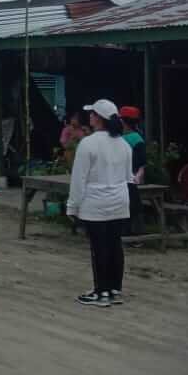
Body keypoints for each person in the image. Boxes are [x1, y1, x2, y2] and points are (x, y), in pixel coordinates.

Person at [67, 99, 132, 308]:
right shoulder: (124, 144)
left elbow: (79, 179)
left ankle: (101, 292)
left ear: (99, 118)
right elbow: (128, 177)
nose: (90, 116)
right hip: (119, 201)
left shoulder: (88, 143)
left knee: (99, 247)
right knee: (115, 245)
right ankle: (114, 289)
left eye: (93, 114)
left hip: (95, 203)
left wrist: (72, 206)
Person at [120, 106, 147, 235]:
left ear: (123, 121)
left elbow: (140, 163)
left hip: (129, 180)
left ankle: (132, 234)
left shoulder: (134, 139)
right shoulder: (133, 138)